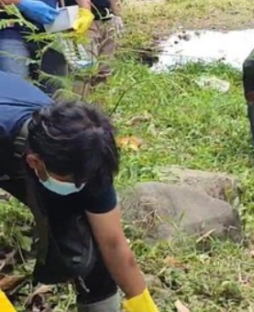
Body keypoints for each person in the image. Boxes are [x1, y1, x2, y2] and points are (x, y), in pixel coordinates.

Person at [0, 71, 158, 312]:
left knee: (87, 246)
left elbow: (113, 243)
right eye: (73, 182)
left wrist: (144, 307)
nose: (82, 187)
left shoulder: (87, 148)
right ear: (34, 162)